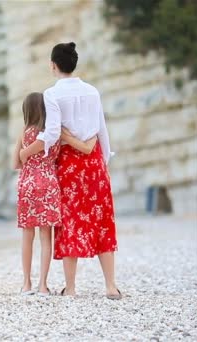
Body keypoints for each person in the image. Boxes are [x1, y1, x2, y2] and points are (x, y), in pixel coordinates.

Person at [19, 42, 121, 300]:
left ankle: (72, 289)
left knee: (70, 223)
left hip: (69, 165)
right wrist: (104, 160)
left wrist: (31, 150)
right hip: (94, 160)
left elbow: (52, 133)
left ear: (53, 65)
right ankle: (110, 286)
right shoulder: (92, 91)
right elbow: (102, 129)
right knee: (102, 221)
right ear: (74, 64)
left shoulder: (52, 94)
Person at [13, 92, 61, 296]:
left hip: (29, 185)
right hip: (49, 184)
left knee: (27, 236)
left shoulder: (25, 132)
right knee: (45, 237)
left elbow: (15, 163)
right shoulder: (54, 134)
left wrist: (26, 155)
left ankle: (26, 284)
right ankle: (43, 285)